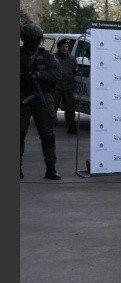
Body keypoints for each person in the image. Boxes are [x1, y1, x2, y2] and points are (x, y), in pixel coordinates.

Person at [20, 23, 63, 180]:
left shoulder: (46, 56)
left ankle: (51, 168)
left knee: (47, 135)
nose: (36, 41)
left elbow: (57, 74)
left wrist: (37, 75)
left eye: (37, 39)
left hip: (42, 100)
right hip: (21, 99)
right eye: (33, 38)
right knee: (19, 134)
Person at [52, 38, 78, 135]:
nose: (64, 48)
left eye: (66, 47)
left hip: (68, 87)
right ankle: (50, 126)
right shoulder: (53, 58)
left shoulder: (72, 59)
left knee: (70, 108)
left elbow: (75, 71)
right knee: (53, 107)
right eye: (62, 47)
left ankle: (72, 127)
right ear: (58, 47)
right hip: (55, 87)